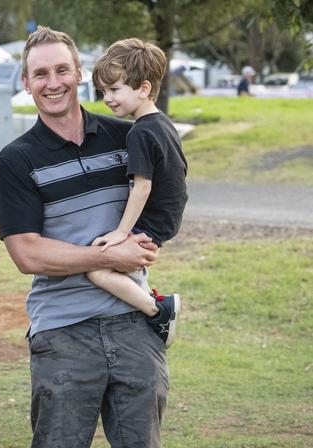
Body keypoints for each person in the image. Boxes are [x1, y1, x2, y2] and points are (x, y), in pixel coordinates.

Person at [0, 27, 165, 448]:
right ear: (26, 84)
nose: (53, 82)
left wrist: (146, 243)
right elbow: (27, 254)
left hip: (133, 321)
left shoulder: (126, 137)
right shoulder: (17, 159)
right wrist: (113, 255)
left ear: (80, 76)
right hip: (62, 329)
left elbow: (167, 195)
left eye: (62, 70)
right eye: (40, 74)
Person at [88, 38, 188, 348]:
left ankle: (157, 309)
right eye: (103, 92)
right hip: (167, 217)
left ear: (143, 88)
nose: (107, 98)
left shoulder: (141, 132)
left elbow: (142, 186)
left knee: (95, 266)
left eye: (115, 90)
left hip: (154, 220)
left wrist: (121, 232)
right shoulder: (162, 124)